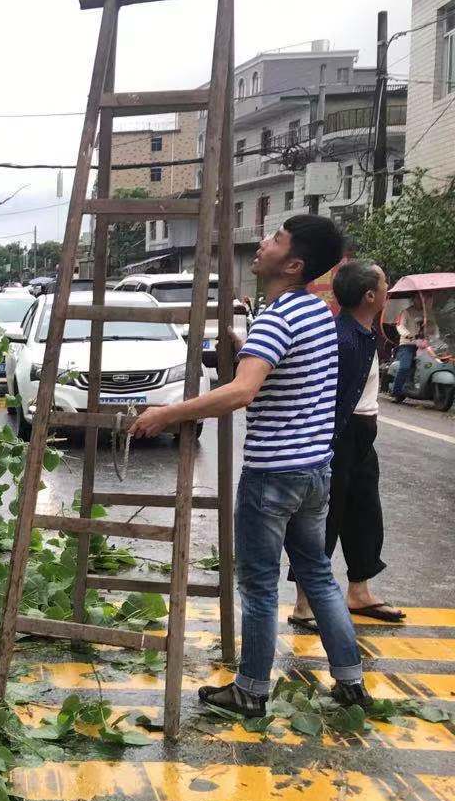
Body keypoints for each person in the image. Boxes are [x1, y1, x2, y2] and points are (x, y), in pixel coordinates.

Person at [128, 216, 369, 717]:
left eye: (275, 239)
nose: (262, 244)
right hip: (313, 471)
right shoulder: (315, 313)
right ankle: (350, 681)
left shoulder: (279, 318)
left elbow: (242, 392)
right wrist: (245, 348)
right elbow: (284, 370)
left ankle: (251, 690)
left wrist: (165, 415)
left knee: (258, 585)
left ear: (294, 264)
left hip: (273, 474)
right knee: (320, 577)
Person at [288, 260, 404, 628]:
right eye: (385, 283)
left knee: (365, 512)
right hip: (339, 437)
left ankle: (359, 591)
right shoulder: (342, 338)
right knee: (325, 516)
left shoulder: (367, 332)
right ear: (370, 296)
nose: (389, 288)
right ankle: (304, 603)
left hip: (363, 436)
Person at [390, 309, 426, 402]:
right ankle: (396, 392)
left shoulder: (428, 312)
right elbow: (400, 326)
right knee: (405, 367)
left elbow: (434, 327)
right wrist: (408, 335)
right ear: (414, 298)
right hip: (407, 344)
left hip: (424, 345)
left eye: (429, 297)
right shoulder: (406, 312)